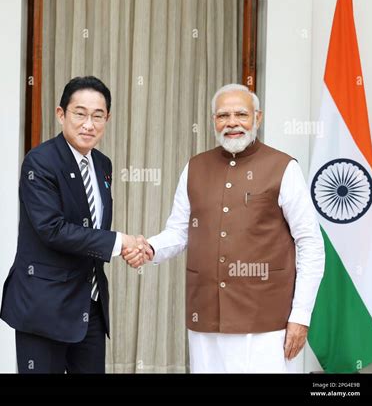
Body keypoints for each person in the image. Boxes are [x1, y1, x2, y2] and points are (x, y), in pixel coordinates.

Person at [123, 83, 325, 373]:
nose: (232, 123)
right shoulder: (195, 167)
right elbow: (179, 232)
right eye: (222, 116)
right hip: (206, 317)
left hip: (266, 323)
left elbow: (310, 243)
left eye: (241, 114)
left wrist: (301, 315)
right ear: (213, 121)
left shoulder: (283, 168)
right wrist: (150, 248)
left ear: (258, 118)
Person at [0, 76, 146, 373]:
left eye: (98, 116)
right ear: (61, 114)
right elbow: (52, 229)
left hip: (88, 304)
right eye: (79, 113)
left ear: (108, 118)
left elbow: (93, 227)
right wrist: (120, 243)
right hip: (44, 306)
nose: (88, 124)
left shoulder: (103, 164)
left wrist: (129, 247)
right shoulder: (40, 162)